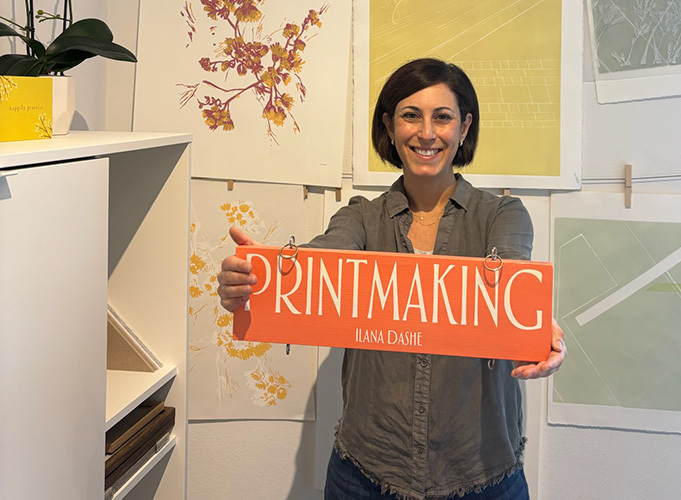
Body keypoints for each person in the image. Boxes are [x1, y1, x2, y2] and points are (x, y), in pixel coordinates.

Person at [218, 58, 566, 500]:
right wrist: (257, 282)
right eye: (410, 115)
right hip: (364, 476)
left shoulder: (502, 215)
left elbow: (514, 281)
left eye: (442, 117)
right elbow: (323, 257)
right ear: (389, 125)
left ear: (463, 128)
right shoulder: (360, 218)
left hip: (482, 478)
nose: (426, 133)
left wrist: (541, 331)